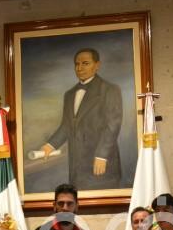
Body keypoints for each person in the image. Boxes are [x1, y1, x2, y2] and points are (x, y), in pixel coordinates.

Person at [41, 48, 123, 190]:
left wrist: (102, 155)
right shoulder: (69, 94)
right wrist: (50, 145)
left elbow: (113, 125)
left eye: (85, 63)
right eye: (77, 64)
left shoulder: (110, 89)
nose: (79, 68)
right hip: (77, 165)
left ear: (97, 65)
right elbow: (66, 126)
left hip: (100, 163)